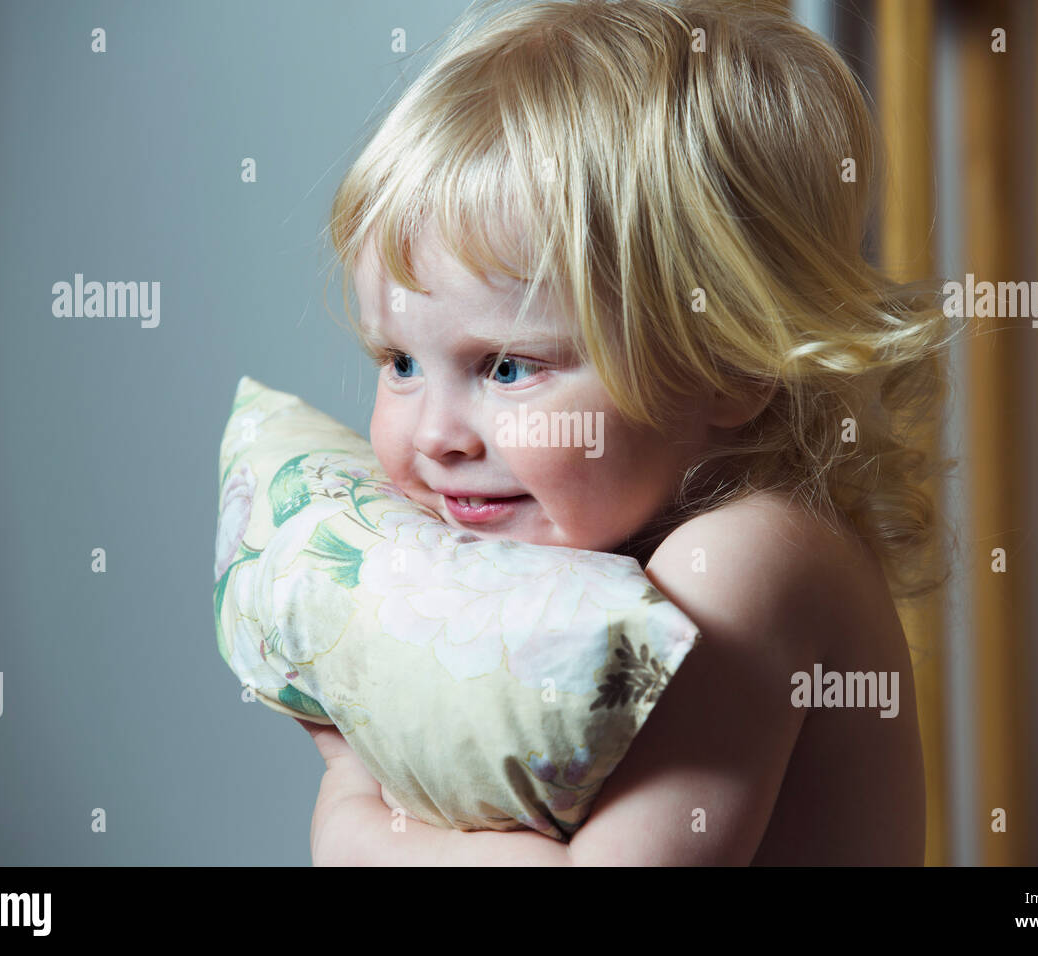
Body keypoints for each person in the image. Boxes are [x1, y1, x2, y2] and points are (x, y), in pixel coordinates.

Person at [300, 0, 958, 865]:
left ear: (726, 361)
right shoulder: (600, 540)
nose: (435, 435)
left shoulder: (749, 559)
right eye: (400, 362)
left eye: (507, 367)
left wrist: (351, 796)